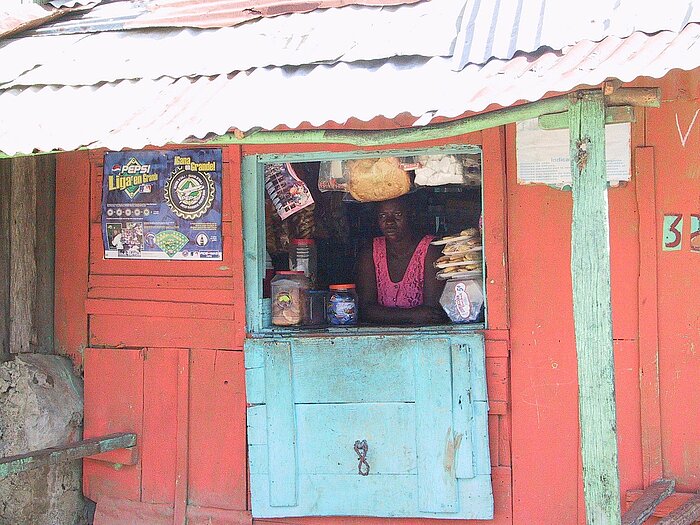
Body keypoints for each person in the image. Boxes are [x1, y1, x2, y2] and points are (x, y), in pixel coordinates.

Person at [355, 195, 447, 325]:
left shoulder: (430, 249)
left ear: (411, 215)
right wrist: (411, 315)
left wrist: (384, 315)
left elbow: (431, 314)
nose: (389, 222)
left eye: (397, 214)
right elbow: (365, 310)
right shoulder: (370, 251)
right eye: (383, 216)